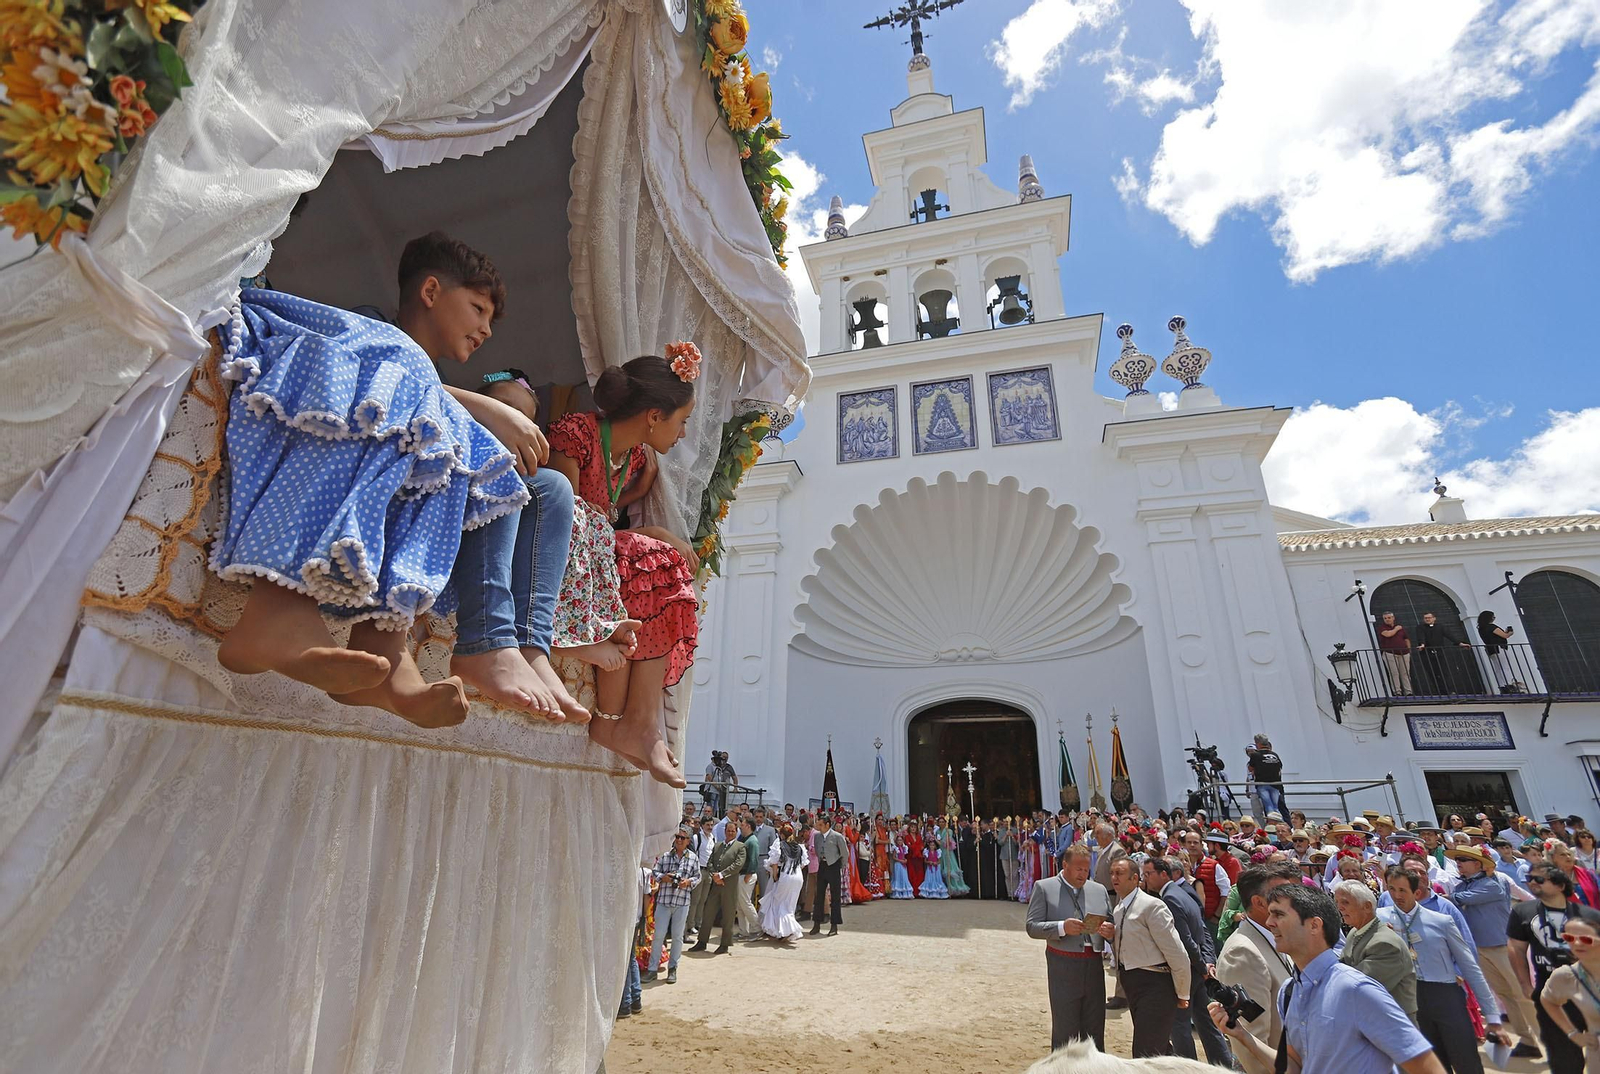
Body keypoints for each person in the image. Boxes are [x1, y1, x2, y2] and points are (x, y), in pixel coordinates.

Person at [212, 233, 588, 727]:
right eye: (478, 309)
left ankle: (508, 644)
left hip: (425, 416)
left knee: (550, 488)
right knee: (435, 421)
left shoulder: (422, 375)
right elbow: (390, 368)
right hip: (385, 391)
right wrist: (486, 406)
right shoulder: (371, 329)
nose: (486, 330)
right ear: (431, 292)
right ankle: (285, 614)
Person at [548, 351, 702, 786]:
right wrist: (651, 531)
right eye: (682, 420)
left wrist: (638, 504)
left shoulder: (633, 459)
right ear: (654, 416)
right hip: (564, 550)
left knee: (663, 568)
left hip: (594, 548)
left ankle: (635, 722)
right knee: (656, 558)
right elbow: (567, 519)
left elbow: (602, 516)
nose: (683, 432)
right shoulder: (575, 433)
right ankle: (625, 722)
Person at [1209, 884, 1445, 1074]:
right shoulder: (1289, 991)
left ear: (1314, 925)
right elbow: (1294, 1067)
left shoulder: (1356, 989)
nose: (1270, 922)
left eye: (1279, 914)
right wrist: (1243, 1035)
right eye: (1270, 914)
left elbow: (1426, 1065)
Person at [1380, 865, 1511, 1074]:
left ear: (1417, 893)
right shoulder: (1380, 919)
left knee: (1465, 1060)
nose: (1396, 896)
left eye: (1402, 890)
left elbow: (1471, 968)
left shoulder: (1441, 921)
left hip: (1446, 996)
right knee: (1432, 1066)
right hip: (1410, 999)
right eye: (1392, 889)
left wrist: (1493, 1017)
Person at [1448, 844, 1545, 1057]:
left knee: (1522, 994)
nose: (1458, 863)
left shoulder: (1495, 882)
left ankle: (1548, 1041)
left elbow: (1460, 899)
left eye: (1463, 859)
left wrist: (1450, 897)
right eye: (1458, 860)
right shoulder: (1462, 885)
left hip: (1503, 946)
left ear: (1478, 864)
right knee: (1504, 994)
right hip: (1480, 948)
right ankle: (1528, 1041)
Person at [1144, 856, 1234, 1067]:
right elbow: (1203, 932)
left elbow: (1185, 940)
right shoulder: (1184, 893)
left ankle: (1188, 1069)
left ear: (1163, 874)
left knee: (1179, 1025)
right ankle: (1223, 1067)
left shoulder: (1170, 899)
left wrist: (1202, 967)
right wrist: (1207, 963)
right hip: (1198, 969)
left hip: (1186, 971)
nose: (1145, 878)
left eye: (1149, 874)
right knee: (1206, 1023)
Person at [1510, 864, 1600, 1074]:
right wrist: (1525, 984)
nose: (1532, 883)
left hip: (1590, 989)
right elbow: (1516, 948)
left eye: (1540, 879)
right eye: (1530, 878)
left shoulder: (1590, 916)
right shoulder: (1522, 911)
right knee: (1563, 1056)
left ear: (1560, 885)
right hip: (1550, 989)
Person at [1027, 844, 1114, 1050]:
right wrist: (1061, 927)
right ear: (1065, 865)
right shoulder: (1044, 887)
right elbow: (1032, 927)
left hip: (1093, 964)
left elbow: (1110, 921)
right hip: (1062, 963)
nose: (1083, 874)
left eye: (1086, 869)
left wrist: (1110, 932)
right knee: (1065, 1026)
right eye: (1078, 869)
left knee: (1094, 1025)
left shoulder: (1099, 890)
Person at [1215, 862, 1298, 1074]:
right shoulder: (1243, 953)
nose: (1294, 899)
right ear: (1259, 902)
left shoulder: (1275, 937)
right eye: (1283, 893)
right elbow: (1250, 1039)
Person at [1108, 856, 1191, 1057]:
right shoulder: (1119, 909)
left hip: (1155, 983)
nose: (1114, 878)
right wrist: (1111, 937)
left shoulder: (1152, 906)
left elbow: (1176, 952)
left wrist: (1182, 992)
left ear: (1134, 878)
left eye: (1119, 873)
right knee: (1156, 1048)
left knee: (1146, 1051)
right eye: (1112, 873)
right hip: (1133, 983)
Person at [1335, 877, 1418, 1018]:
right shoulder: (1354, 932)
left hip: (1391, 1023)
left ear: (1367, 906)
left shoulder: (1385, 944)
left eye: (1345, 902)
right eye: (1337, 902)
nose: (1339, 907)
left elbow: (1359, 986)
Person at [1540, 917, 1600, 1074]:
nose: (1577, 944)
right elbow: (1548, 1000)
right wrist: (1573, 1034)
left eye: (1586, 939)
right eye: (1569, 938)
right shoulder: (1566, 976)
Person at [645, 827, 701, 984]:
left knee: (677, 937)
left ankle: (673, 968)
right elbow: (654, 872)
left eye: (683, 838)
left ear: (688, 841)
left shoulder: (693, 858)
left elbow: (698, 877)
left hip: (682, 902)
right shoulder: (665, 856)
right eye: (677, 837)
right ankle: (652, 969)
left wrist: (687, 882)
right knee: (658, 936)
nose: (679, 840)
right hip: (664, 901)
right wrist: (664, 878)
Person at [689, 815, 746, 955]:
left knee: (728, 916)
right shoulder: (718, 845)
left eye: (733, 831)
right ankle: (702, 941)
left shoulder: (740, 847)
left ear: (736, 832)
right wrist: (715, 875)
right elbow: (710, 862)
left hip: (729, 886)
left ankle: (725, 944)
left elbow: (738, 864)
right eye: (728, 831)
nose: (730, 833)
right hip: (716, 885)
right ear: (725, 831)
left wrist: (722, 875)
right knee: (708, 913)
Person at [760, 824, 808, 942]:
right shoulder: (799, 847)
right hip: (798, 876)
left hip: (786, 875)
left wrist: (775, 875)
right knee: (790, 905)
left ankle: (785, 930)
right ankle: (784, 930)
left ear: (781, 834)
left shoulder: (779, 845)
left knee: (779, 903)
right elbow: (803, 864)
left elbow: (774, 862)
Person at [1414, 610, 1473, 694]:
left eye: (1429, 618)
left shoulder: (1440, 627)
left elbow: (1450, 635)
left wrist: (1460, 643)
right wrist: (1422, 644)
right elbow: (1421, 636)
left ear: (1434, 618)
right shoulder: (1420, 627)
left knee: (1443, 672)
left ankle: (1448, 691)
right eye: (1425, 618)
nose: (1427, 619)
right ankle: (1440, 691)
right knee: (1432, 673)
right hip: (1427, 653)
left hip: (1439, 652)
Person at [811, 815, 848, 935]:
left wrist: (840, 866)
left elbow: (844, 853)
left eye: (821, 825)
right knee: (819, 896)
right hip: (822, 865)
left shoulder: (837, 836)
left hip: (834, 866)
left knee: (835, 896)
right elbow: (817, 850)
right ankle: (817, 923)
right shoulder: (817, 836)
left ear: (827, 825)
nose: (818, 827)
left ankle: (834, 925)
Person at [1245, 736, 1286, 821]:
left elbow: (1250, 768)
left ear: (1258, 743)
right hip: (1275, 784)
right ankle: (1280, 823)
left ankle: (1273, 824)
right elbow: (1279, 767)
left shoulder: (1255, 755)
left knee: (1268, 806)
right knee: (1275, 807)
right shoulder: (1274, 754)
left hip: (1262, 784)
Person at [1477, 610, 1519, 692]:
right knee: (1504, 667)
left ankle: (1502, 686)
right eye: (1493, 617)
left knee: (1498, 668)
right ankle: (1509, 685)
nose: (1494, 618)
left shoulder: (1481, 628)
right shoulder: (1491, 626)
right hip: (1499, 648)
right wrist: (1510, 633)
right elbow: (1505, 635)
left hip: (1490, 649)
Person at [733, 817, 760, 940]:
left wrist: (749, 874)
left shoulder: (752, 841)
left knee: (745, 903)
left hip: (747, 875)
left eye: (742, 825)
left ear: (748, 826)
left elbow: (754, 859)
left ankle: (756, 928)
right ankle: (743, 931)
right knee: (740, 904)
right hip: (742, 874)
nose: (740, 827)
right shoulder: (744, 839)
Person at [1376, 611, 1414, 695]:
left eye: (1389, 618)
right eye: (1385, 618)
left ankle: (1408, 691)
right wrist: (1396, 629)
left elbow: (1406, 639)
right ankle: (1397, 691)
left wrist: (1408, 650)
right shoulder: (1382, 628)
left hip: (1404, 653)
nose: (1387, 619)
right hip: (1390, 653)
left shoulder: (1401, 629)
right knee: (1394, 673)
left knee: (1405, 673)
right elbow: (1388, 634)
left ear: (1393, 618)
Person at [918, 827, 949, 899]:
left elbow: (939, 860)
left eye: (933, 845)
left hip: (936, 868)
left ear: (935, 846)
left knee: (937, 879)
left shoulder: (938, 852)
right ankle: (928, 892)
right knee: (929, 879)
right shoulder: (926, 851)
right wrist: (929, 862)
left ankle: (937, 892)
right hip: (929, 868)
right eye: (931, 845)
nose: (932, 846)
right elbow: (925, 860)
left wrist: (936, 863)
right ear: (929, 845)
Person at [888, 834, 915, 899]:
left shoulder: (904, 848)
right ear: (896, 841)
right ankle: (897, 893)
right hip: (898, 865)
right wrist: (900, 860)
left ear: (903, 841)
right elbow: (894, 857)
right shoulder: (895, 848)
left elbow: (904, 856)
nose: (899, 841)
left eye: (901, 840)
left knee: (904, 877)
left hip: (903, 865)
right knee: (898, 877)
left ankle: (905, 892)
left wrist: (905, 860)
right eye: (898, 840)